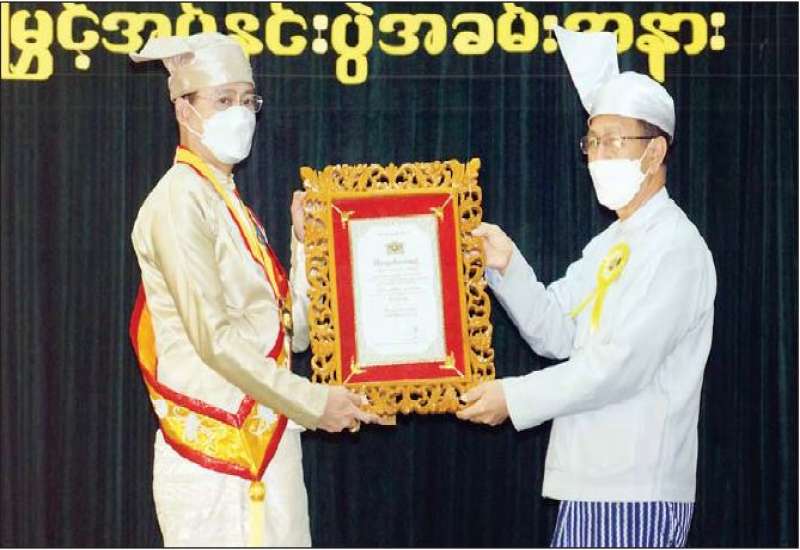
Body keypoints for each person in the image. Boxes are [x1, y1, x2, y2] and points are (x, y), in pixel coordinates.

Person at [457, 26, 717, 548]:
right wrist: (506, 264)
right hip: (589, 480)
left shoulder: (676, 248)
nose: (598, 155)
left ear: (655, 152)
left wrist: (513, 396)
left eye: (614, 141)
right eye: (592, 142)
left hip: (636, 488)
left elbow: (619, 367)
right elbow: (557, 332)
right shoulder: (610, 243)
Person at [128, 32, 378, 547]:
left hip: (268, 447)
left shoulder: (228, 201)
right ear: (183, 108)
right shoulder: (178, 201)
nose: (240, 114)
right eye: (223, 100)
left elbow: (291, 334)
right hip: (217, 464)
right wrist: (313, 402)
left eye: (247, 100)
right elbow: (214, 340)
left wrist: (305, 245)